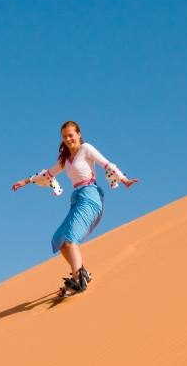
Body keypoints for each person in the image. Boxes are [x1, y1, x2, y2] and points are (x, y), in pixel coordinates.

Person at [12, 121, 138, 296]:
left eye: (71, 135)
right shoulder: (65, 160)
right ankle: (81, 272)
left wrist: (124, 180)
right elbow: (48, 173)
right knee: (59, 240)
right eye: (65, 136)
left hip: (90, 196)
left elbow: (106, 164)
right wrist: (24, 182)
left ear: (79, 134)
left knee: (70, 240)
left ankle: (78, 281)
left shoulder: (86, 148)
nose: (68, 139)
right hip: (77, 199)